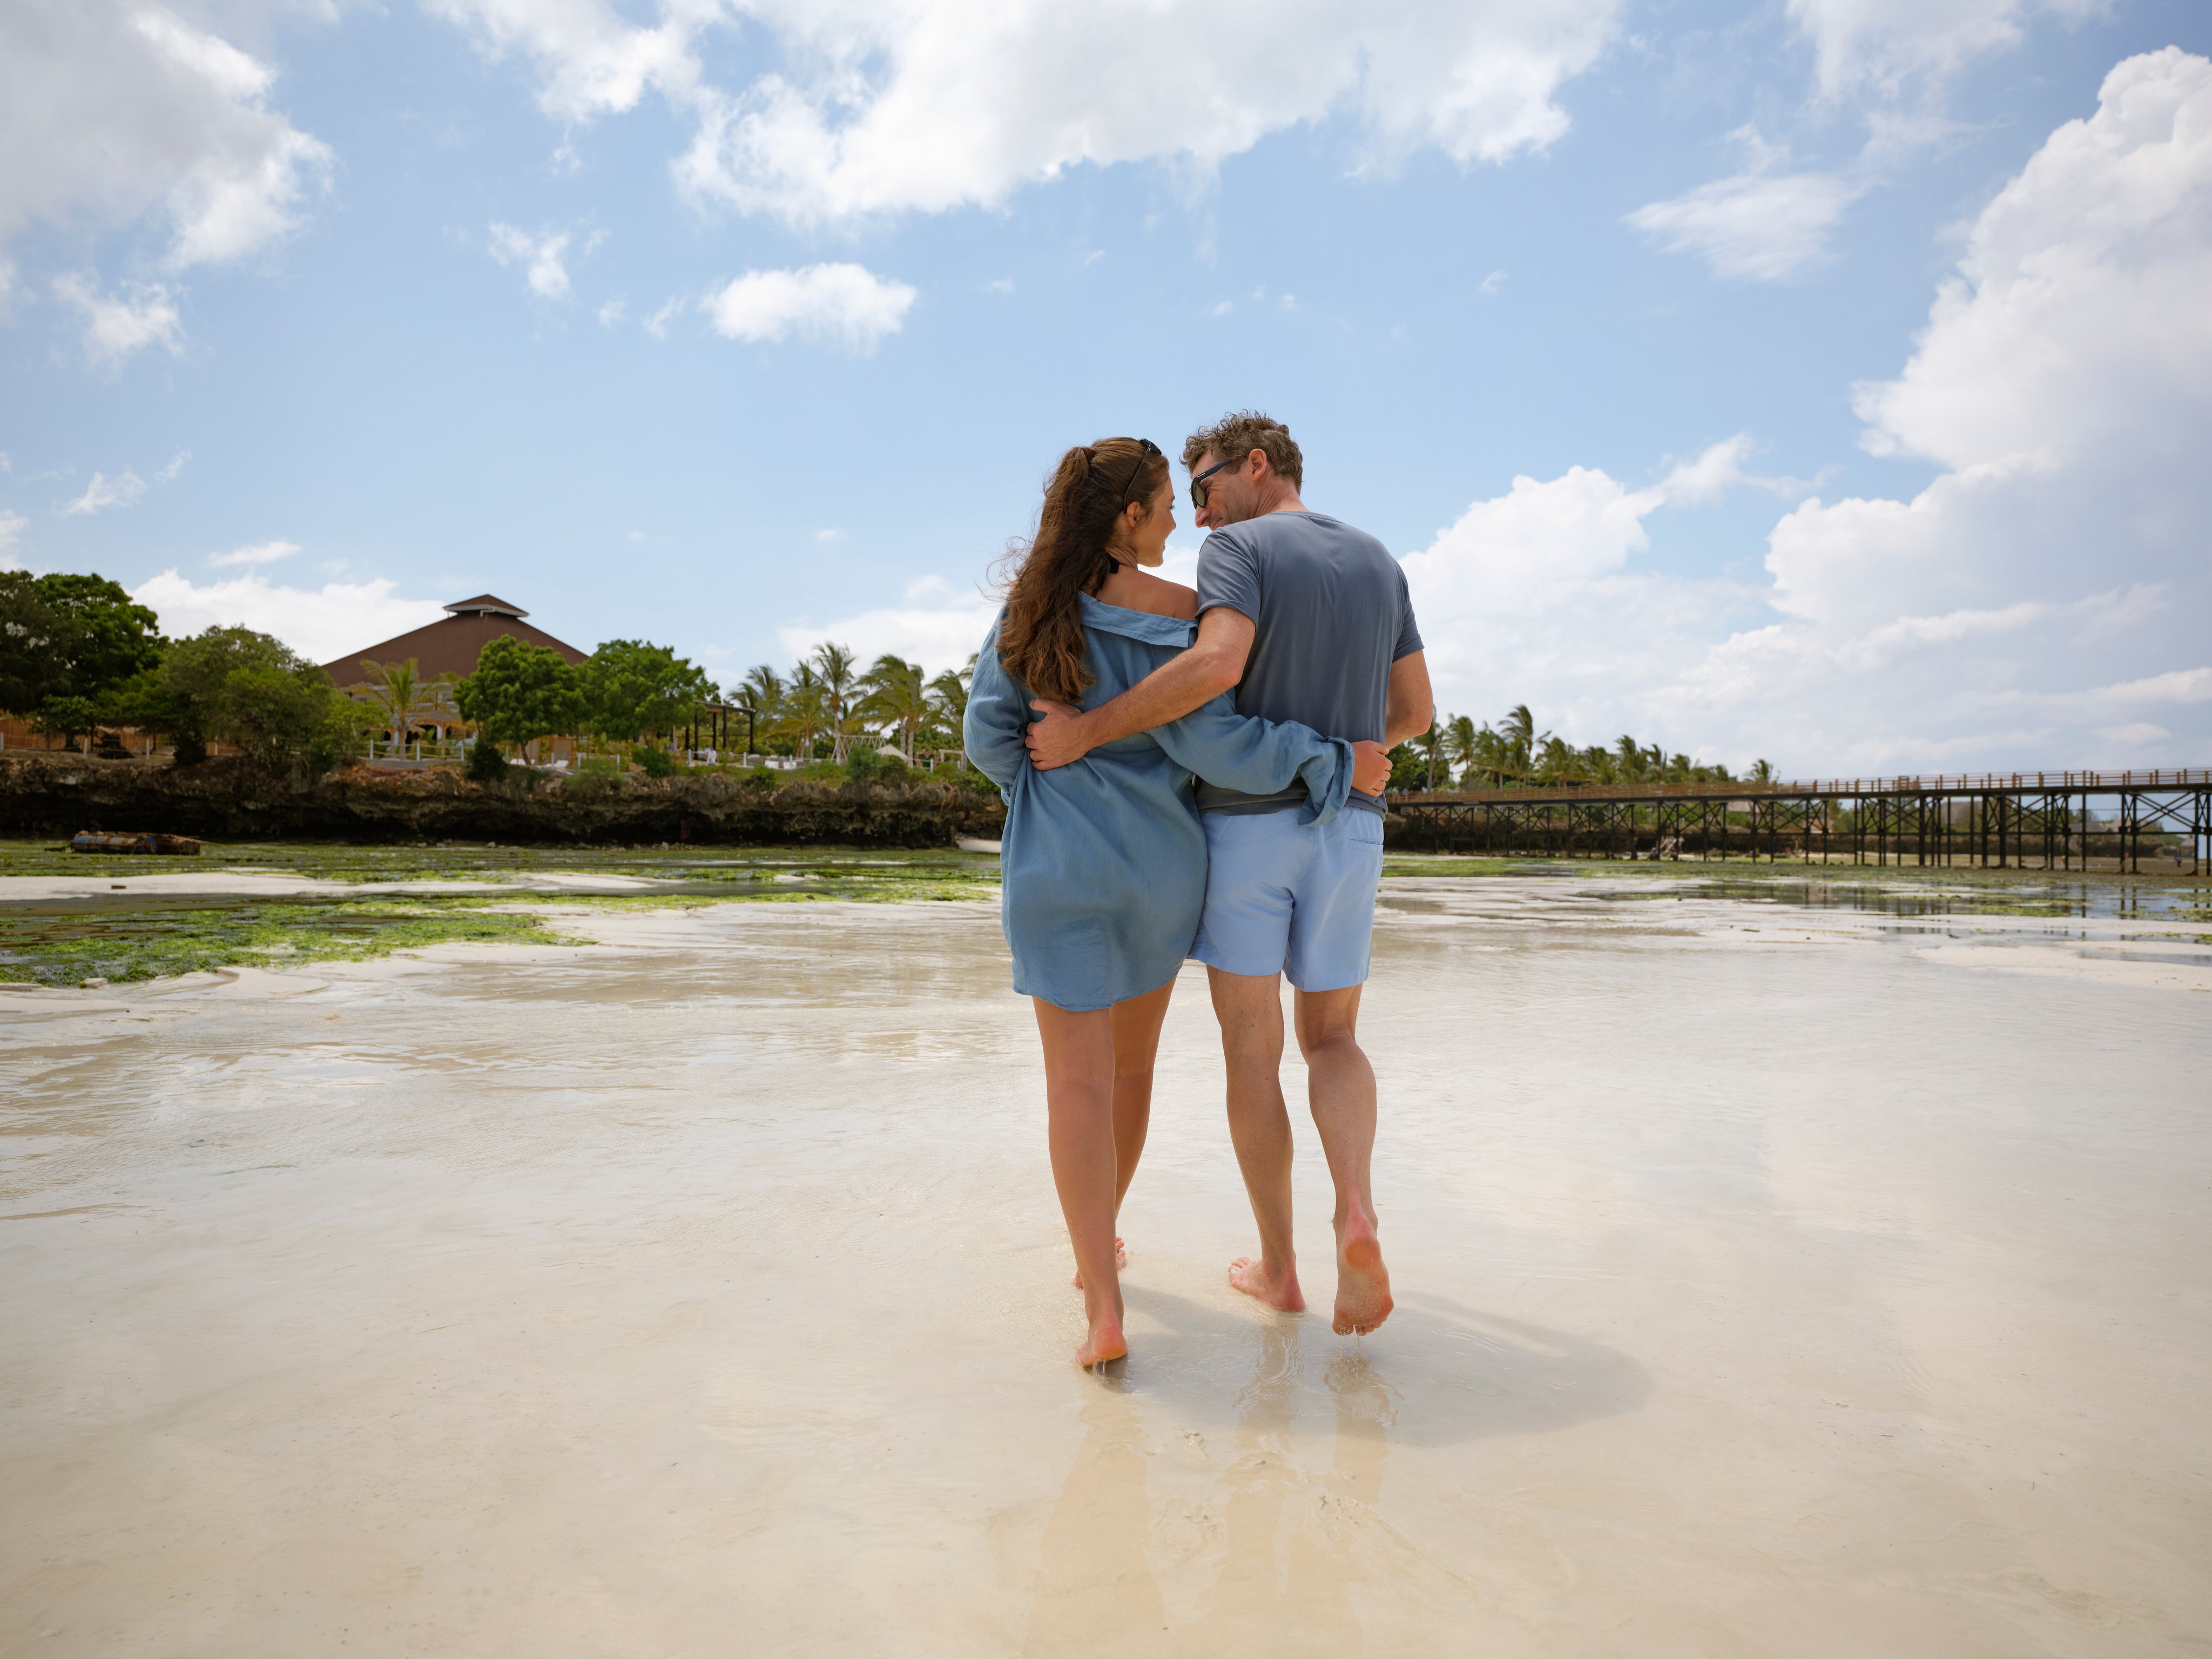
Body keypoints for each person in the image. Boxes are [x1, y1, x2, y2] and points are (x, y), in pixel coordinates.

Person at [964, 436, 1392, 1369]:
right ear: (1128, 517)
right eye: (1164, 504)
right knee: (1131, 1074)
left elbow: (989, 741)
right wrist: (1330, 760)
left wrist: (1049, 798)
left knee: (1072, 1083)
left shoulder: (1029, 613)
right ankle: (1145, 1244)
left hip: (1054, 867)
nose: (1177, 520)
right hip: (1162, 871)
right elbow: (1217, 746)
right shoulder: (1182, 616)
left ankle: (1103, 1305)